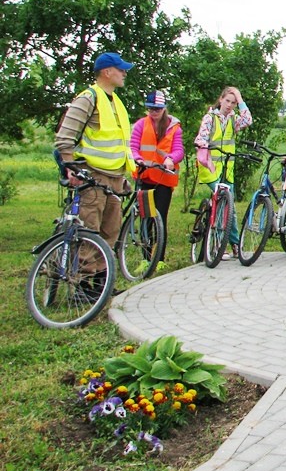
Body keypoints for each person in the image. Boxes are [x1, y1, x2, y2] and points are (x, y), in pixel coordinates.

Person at [54, 52, 135, 299]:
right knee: (90, 231)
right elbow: (65, 138)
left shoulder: (115, 102)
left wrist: (123, 175)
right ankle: (82, 287)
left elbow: (120, 143)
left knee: (110, 231)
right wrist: (71, 167)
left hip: (113, 178)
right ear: (106, 72)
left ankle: (101, 284)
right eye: (120, 69)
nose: (124, 73)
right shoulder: (88, 98)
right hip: (92, 177)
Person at [194, 86, 253, 258]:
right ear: (220, 100)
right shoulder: (210, 118)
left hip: (227, 171)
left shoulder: (234, 120)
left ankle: (234, 242)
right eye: (227, 101)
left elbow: (248, 120)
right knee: (222, 205)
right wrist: (203, 146)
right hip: (211, 170)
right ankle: (219, 244)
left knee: (231, 208)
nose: (229, 105)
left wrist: (240, 98)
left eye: (233, 103)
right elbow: (201, 138)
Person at [129, 90, 184, 235]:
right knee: (145, 218)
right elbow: (133, 147)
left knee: (160, 219)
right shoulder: (141, 125)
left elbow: (179, 150)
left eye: (157, 109)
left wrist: (170, 159)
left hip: (164, 178)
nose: (154, 112)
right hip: (145, 175)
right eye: (151, 108)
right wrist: (138, 159)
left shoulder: (174, 128)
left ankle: (159, 256)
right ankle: (146, 255)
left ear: (164, 108)